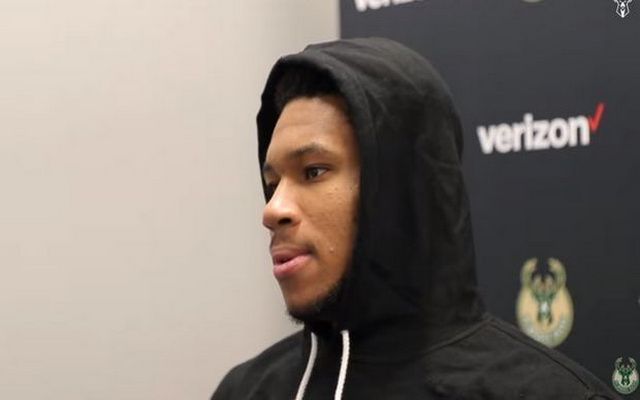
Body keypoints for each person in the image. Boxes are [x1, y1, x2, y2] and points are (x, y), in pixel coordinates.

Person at [211, 37, 619, 399]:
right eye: (272, 183)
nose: (273, 209)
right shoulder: (243, 391)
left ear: (400, 186)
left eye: (313, 171)